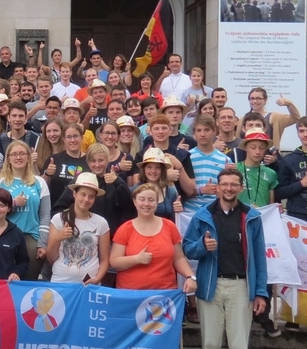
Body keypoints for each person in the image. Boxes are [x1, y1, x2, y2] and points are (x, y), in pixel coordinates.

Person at [182, 169, 271, 349]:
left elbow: (259, 258)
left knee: (239, 344)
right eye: (224, 184)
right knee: (210, 343)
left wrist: (261, 292)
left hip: (241, 286)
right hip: (210, 285)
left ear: (241, 188)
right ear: (218, 187)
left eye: (233, 185)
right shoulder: (202, 215)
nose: (228, 188)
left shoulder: (251, 217)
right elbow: (187, 249)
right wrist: (202, 246)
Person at [110, 183, 198, 292]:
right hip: (131, 295)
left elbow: (179, 258)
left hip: (164, 294)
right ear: (134, 202)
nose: (146, 204)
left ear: (157, 203)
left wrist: (190, 276)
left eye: (151, 200)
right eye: (142, 199)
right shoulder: (125, 229)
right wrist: (136, 259)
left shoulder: (170, 226)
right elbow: (114, 262)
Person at [0, 141, 50, 281]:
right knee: (4, 280)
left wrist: (42, 243)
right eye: (14, 154)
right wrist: (14, 204)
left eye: (22, 154)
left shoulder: (39, 182)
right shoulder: (0, 182)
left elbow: (45, 214)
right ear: (9, 159)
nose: (18, 157)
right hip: (6, 235)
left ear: (29, 157)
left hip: (31, 238)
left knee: (28, 280)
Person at [47, 173, 112, 285]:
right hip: (61, 282)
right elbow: (51, 257)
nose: (86, 199)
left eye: (91, 196)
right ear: (74, 194)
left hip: (89, 284)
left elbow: (105, 260)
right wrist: (58, 238)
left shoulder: (101, 223)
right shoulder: (59, 219)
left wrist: (97, 279)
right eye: (83, 194)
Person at [235, 128, 278, 208]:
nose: (258, 152)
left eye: (262, 148)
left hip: (263, 217)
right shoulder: (234, 170)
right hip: (238, 217)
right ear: (245, 148)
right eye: (253, 148)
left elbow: (271, 204)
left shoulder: (271, 173)